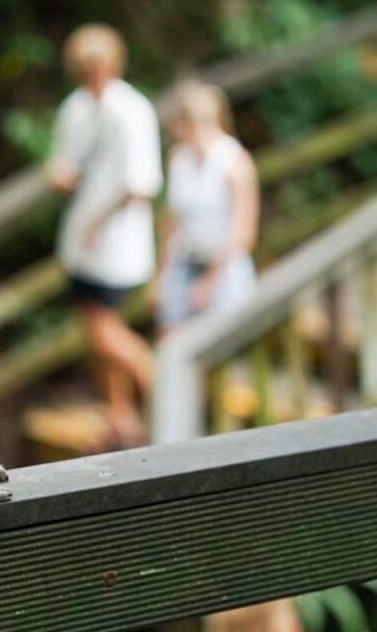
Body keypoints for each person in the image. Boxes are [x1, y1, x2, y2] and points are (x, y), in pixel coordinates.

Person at [47, 23, 162, 448]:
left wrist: (98, 222)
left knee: (104, 330)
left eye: (98, 65)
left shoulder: (133, 110)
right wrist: (61, 179)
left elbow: (141, 185)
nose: (92, 73)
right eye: (85, 66)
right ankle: (121, 414)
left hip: (117, 242)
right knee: (96, 327)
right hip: (81, 240)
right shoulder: (74, 109)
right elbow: (63, 164)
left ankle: (156, 376)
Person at [156, 79, 259, 334]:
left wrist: (210, 282)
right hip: (184, 264)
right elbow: (172, 220)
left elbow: (243, 233)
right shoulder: (179, 158)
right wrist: (161, 275)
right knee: (172, 338)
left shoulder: (235, 162)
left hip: (223, 270)